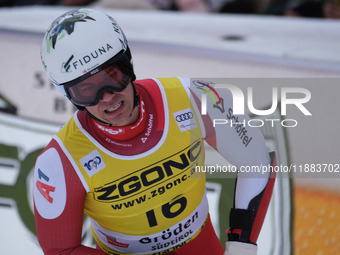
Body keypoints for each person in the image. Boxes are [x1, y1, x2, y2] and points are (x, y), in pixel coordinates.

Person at [33, 8, 276, 255]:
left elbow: (256, 159)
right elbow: (60, 249)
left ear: (128, 66)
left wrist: (241, 246)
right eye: (87, 91)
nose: (107, 97)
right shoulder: (60, 160)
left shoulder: (190, 97)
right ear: (70, 97)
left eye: (113, 76)